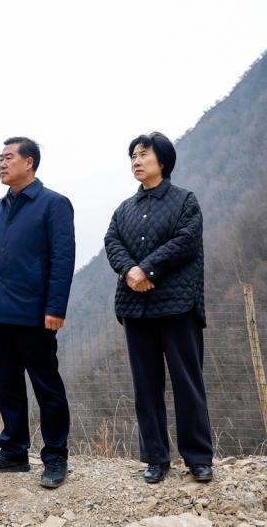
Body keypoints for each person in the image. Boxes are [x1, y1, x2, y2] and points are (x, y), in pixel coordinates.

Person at [104, 132, 213, 483]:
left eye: (143, 155)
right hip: (135, 307)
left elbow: (186, 241)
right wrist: (130, 271)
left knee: (187, 382)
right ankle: (155, 457)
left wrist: (147, 269)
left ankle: (198, 457)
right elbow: (112, 242)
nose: (136, 161)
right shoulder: (124, 209)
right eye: (133, 156)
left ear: (162, 161)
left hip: (178, 306)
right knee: (146, 386)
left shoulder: (185, 201)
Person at [0, 137, 75, 488]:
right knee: (7, 386)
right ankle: (14, 451)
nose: (2, 164)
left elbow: (62, 258)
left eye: (8, 157)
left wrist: (55, 307)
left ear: (29, 162)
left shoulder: (54, 204)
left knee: (46, 387)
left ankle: (55, 456)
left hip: (35, 312)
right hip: (1, 311)